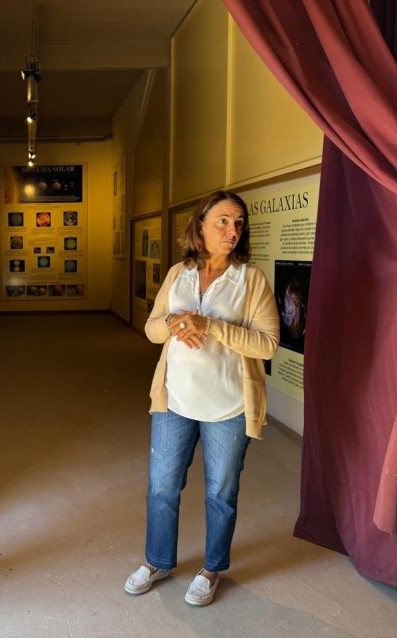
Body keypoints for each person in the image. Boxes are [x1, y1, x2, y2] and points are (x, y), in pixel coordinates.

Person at [124, 190, 279, 606]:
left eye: (238, 224)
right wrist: (175, 321)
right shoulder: (179, 273)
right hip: (174, 400)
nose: (232, 231)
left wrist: (210, 325)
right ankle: (157, 561)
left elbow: (267, 345)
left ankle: (211, 569)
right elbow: (152, 328)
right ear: (201, 225)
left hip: (228, 407)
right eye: (223, 221)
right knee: (161, 487)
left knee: (221, 493)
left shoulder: (250, 279)